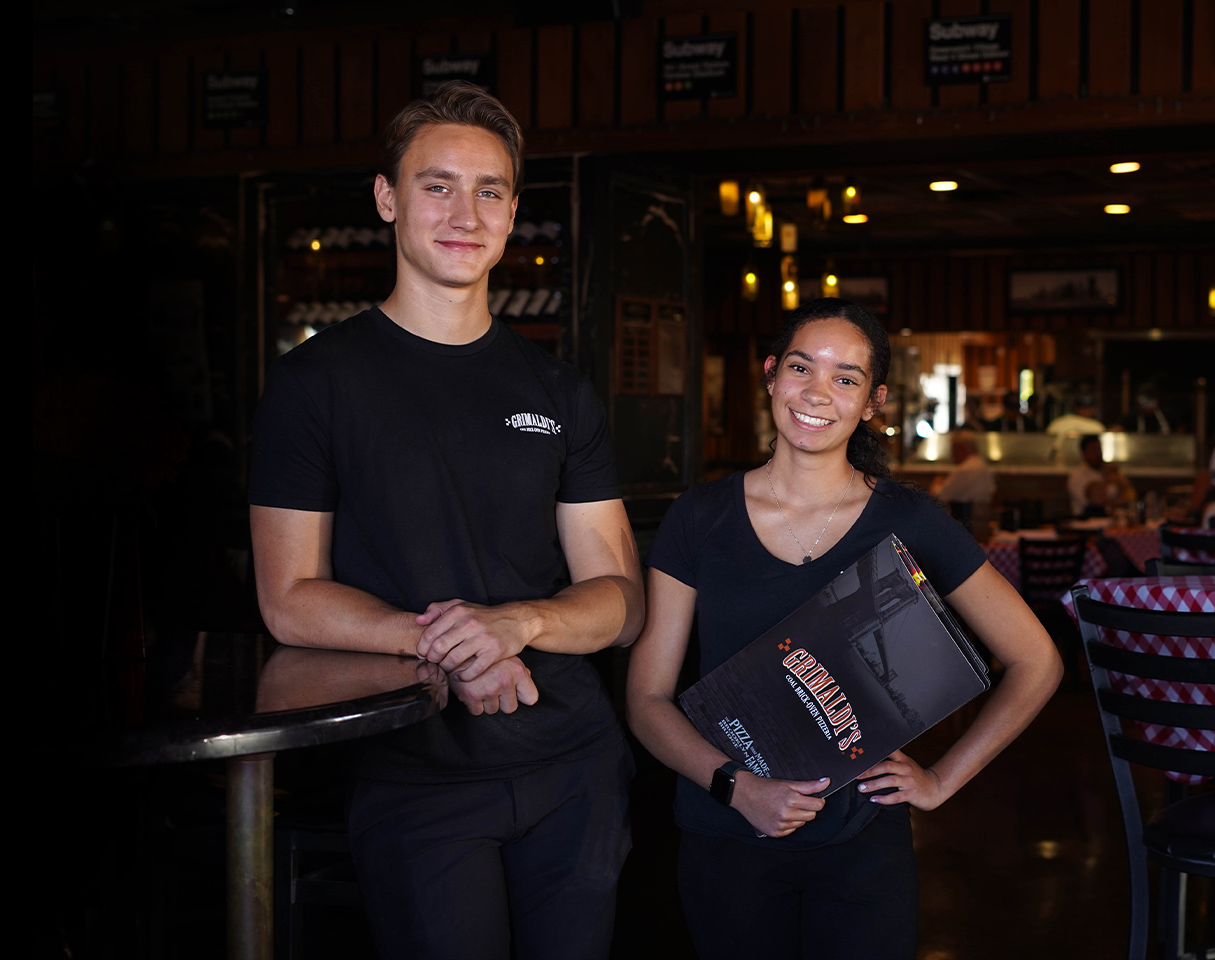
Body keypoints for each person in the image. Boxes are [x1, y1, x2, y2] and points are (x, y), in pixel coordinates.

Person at [248, 81, 643, 960]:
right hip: (414, 771)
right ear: (387, 199)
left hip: (574, 764)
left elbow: (621, 601)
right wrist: (452, 645)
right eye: (437, 186)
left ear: (512, 214)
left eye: (489, 191)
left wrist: (518, 623)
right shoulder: (315, 385)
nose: (466, 214)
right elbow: (288, 598)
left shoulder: (559, 392)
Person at [626, 299, 1062, 960]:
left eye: (846, 378)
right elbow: (646, 698)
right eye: (801, 368)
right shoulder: (700, 516)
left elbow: (1036, 660)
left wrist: (941, 780)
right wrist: (738, 787)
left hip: (862, 850)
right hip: (726, 838)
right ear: (771, 375)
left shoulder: (908, 520)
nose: (816, 393)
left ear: (872, 402)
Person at [1068, 434, 1134, 518]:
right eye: (1093, 450)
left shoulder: (1111, 470)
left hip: (1113, 518)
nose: (1098, 454)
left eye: (1099, 449)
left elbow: (1130, 497)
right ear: (1083, 454)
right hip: (1085, 519)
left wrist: (1117, 478)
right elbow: (1094, 503)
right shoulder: (1077, 476)